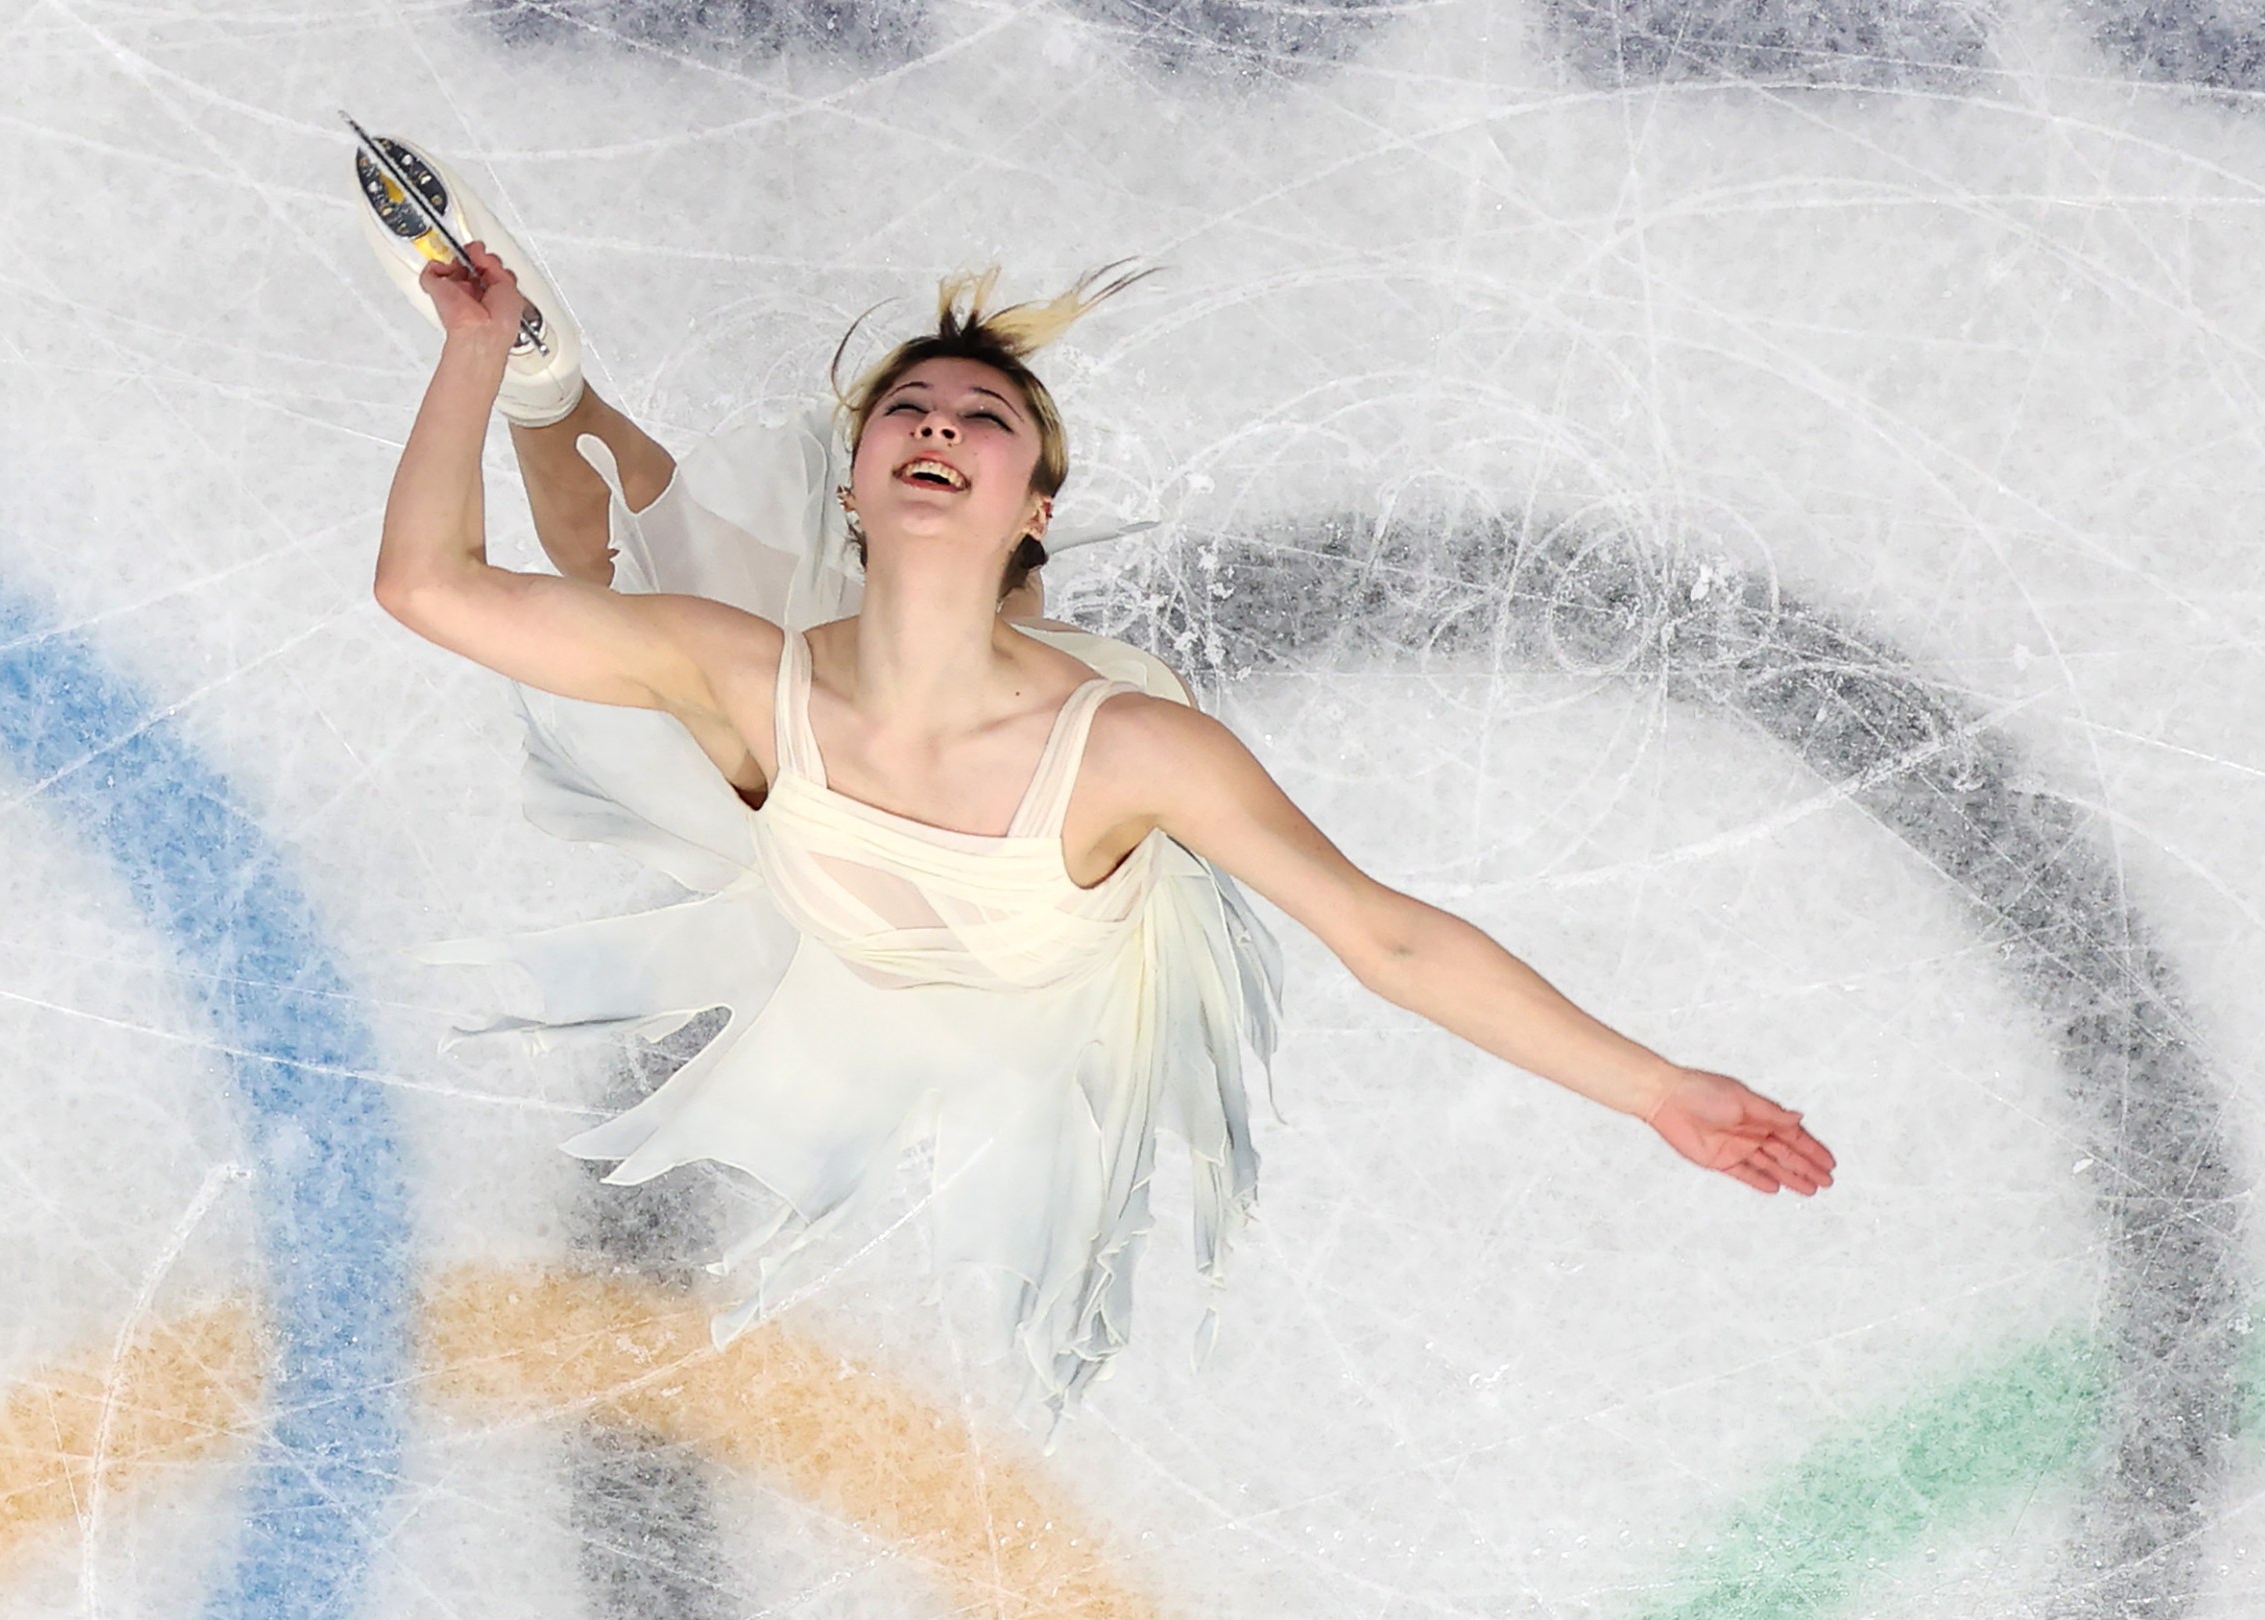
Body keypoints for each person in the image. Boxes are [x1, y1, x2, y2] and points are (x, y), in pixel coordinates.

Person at [370, 217, 1835, 1421]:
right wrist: (473, 351)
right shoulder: (751, 677)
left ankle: (563, 407)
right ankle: (555, 398)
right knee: (645, 612)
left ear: (1035, 510)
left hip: (1064, 974)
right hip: (807, 849)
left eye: (982, 420)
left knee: (666, 624)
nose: (938, 424)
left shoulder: (1136, 753)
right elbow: (426, 586)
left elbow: (1386, 938)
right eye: (909, 415)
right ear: (863, 484)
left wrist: (1653, 1088)